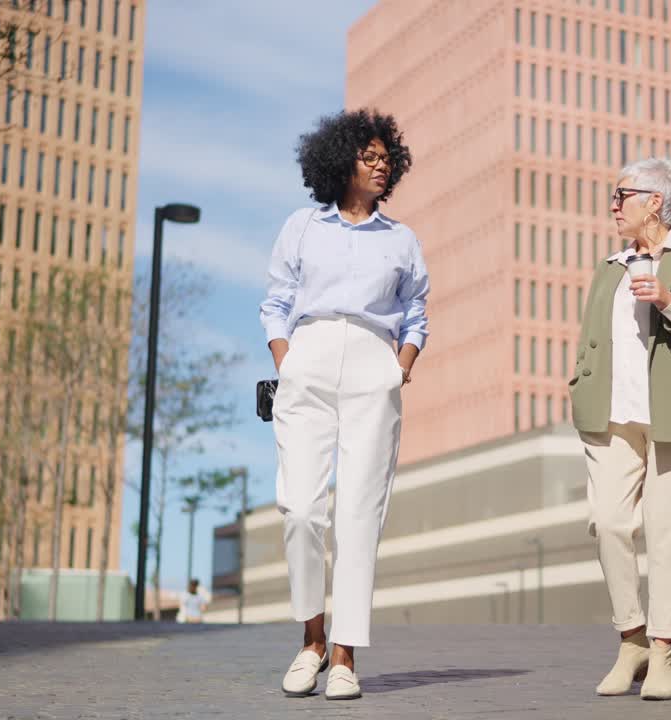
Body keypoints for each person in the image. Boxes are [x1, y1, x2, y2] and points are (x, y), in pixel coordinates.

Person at [259, 109, 429, 701]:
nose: (382, 166)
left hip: (372, 367)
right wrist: (288, 359)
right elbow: (276, 302)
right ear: (342, 162)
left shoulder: (401, 239)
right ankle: (311, 639)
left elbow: (416, 312)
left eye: (388, 159)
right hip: (307, 358)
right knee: (301, 508)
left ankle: (345, 656)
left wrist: (399, 367)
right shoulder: (303, 227)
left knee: (360, 513)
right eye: (370, 157)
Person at [569, 157, 671, 701]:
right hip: (611, 415)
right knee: (608, 523)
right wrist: (579, 382)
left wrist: (669, 302)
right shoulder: (610, 267)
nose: (614, 205)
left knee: (666, 537)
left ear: (654, 202)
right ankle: (631, 637)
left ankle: (661, 651)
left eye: (622, 195)